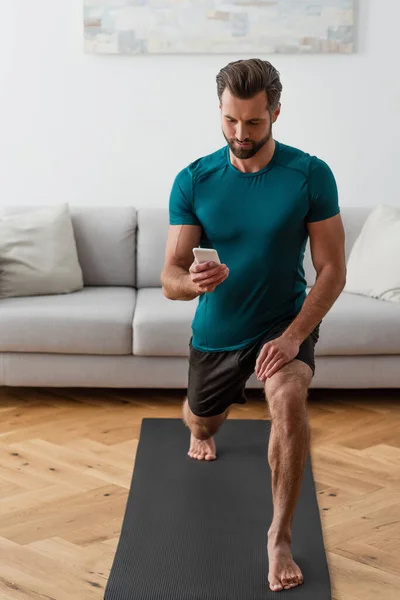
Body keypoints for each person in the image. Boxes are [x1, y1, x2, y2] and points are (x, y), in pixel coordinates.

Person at [161, 58, 346, 592]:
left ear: (276, 112)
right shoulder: (195, 179)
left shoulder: (309, 174)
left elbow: (332, 269)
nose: (241, 134)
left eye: (255, 122)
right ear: (220, 112)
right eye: (231, 121)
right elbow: (169, 276)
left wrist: (293, 338)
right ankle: (200, 418)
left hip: (283, 321)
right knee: (202, 424)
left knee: (288, 399)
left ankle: (280, 537)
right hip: (217, 331)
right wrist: (192, 284)